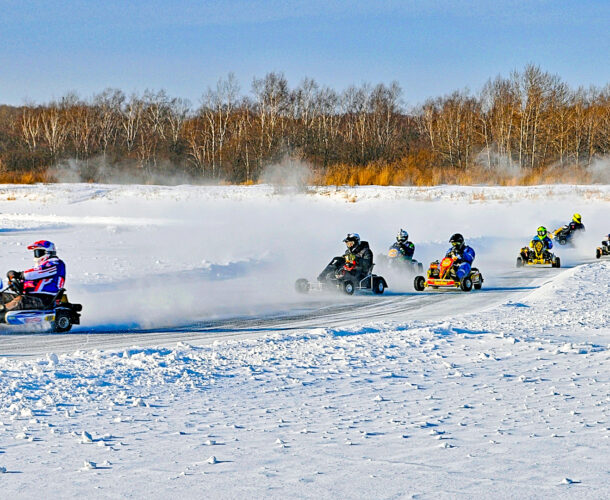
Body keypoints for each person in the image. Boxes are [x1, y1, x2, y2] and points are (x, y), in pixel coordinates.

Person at [1, 240, 66, 313]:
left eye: (38, 252)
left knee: (21, 300)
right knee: (2, 296)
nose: (36, 255)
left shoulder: (55, 263)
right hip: (31, 297)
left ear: (47, 252)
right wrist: (17, 283)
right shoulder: (41, 269)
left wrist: (19, 275)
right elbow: (32, 279)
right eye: (35, 253)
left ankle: (2, 309)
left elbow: (35, 273)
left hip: (44, 299)